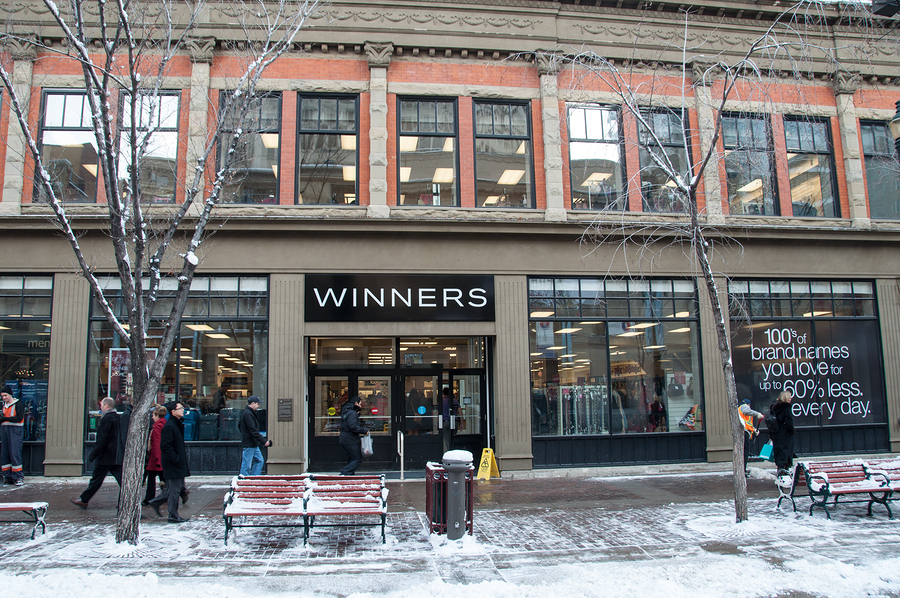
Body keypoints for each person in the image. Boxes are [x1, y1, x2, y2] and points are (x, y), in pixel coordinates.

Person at [71, 397, 122, 508]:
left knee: (96, 480)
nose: (100, 407)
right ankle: (126, 500)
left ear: (106, 406)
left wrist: (93, 454)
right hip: (115, 455)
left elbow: (101, 439)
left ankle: (84, 500)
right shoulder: (118, 418)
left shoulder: (106, 419)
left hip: (105, 456)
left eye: (102, 405)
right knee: (122, 480)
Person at [148, 402, 190, 523]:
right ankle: (172, 514)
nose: (183, 410)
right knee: (174, 490)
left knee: (175, 488)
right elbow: (165, 446)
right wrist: (175, 459)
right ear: (173, 412)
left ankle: (158, 503)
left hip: (176, 462)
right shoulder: (170, 426)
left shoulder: (176, 424)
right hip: (173, 464)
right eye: (180, 408)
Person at [239, 395, 272, 476]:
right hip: (250, 443)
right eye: (257, 404)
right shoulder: (248, 414)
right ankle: (244, 482)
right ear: (252, 403)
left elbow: (239, 425)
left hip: (253, 443)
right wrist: (264, 441)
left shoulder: (248, 413)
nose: (258, 406)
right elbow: (253, 430)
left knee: (259, 461)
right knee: (247, 464)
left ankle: (253, 479)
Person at [0, 385, 25, 485]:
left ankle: (18, 477)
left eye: (5, 395)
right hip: (5, 431)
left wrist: (4, 419)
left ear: (10, 395)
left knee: (15, 453)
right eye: (2, 396)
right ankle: (7, 476)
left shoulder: (18, 404)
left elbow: (19, 418)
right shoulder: (3, 405)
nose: (4, 398)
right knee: (5, 454)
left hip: (15, 431)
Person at [143, 405, 167, 506]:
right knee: (163, 478)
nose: (152, 417)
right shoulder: (165, 424)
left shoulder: (157, 427)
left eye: (153, 415)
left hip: (156, 458)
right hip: (161, 457)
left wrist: (157, 460)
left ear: (157, 415)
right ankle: (168, 495)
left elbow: (157, 444)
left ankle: (150, 498)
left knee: (152, 478)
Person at [339, 395, 369, 476]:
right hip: (350, 439)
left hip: (344, 438)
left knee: (351, 459)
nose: (360, 406)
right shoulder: (352, 413)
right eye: (360, 404)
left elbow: (348, 424)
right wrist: (364, 430)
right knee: (357, 459)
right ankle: (345, 473)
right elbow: (353, 427)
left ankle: (349, 476)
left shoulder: (346, 411)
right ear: (356, 403)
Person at [769, 391, 796, 475]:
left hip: (776, 434)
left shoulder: (774, 408)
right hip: (785, 435)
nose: (791, 398)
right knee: (786, 454)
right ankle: (786, 473)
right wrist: (792, 431)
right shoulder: (786, 408)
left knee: (779, 454)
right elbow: (789, 422)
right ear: (786, 398)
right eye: (789, 397)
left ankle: (780, 473)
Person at [738, 397, 765, 476]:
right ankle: (743, 471)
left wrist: (754, 430)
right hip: (744, 433)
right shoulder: (744, 406)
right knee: (745, 452)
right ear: (748, 404)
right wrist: (757, 414)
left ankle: (742, 470)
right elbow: (747, 411)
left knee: (744, 452)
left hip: (744, 432)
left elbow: (747, 423)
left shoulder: (740, 409)